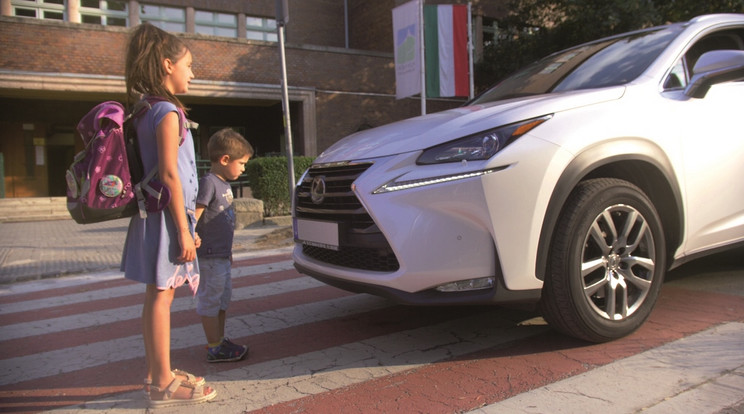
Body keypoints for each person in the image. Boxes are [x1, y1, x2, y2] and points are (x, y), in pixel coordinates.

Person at [120, 23, 217, 408]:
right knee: (163, 295)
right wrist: (183, 229)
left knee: (157, 295)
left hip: (154, 214)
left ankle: (156, 372)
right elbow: (170, 174)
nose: (192, 73)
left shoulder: (144, 109)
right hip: (166, 218)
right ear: (166, 65)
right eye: (188, 65)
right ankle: (162, 382)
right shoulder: (166, 112)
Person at [195, 128, 253, 362]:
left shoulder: (224, 184)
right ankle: (213, 347)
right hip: (208, 256)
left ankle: (219, 341)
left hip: (220, 255)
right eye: (241, 163)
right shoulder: (209, 182)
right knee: (211, 300)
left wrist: (227, 252)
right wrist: (190, 236)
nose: (243, 168)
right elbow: (195, 215)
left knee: (222, 300)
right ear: (225, 159)